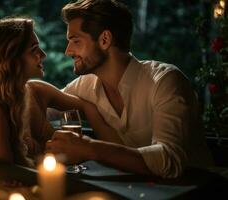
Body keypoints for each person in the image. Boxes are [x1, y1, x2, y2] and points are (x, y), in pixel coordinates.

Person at [46, 0, 214, 178]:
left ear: (105, 40)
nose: (68, 51)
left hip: (200, 190)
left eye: (75, 41)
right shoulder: (85, 84)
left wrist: (89, 148)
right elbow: (47, 107)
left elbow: (170, 160)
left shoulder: (165, 81)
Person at [0, 17, 112, 167]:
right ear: (10, 59)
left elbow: (87, 108)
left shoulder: (36, 90)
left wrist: (115, 154)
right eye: (34, 49)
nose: (43, 55)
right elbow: (6, 177)